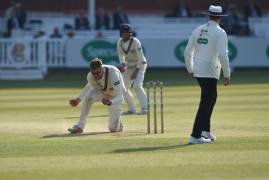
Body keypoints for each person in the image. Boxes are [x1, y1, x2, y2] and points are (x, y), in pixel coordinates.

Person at [184, 5, 231, 144]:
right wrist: (227, 73)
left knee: (211, 98)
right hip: (210, 70)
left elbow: (187, 52)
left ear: (208, 16)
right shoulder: (220, 32)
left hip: (198, 70)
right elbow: (223, 54)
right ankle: (195, 135)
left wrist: (190, 69)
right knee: (207, 101)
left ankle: (205, 131)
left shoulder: (197, 29)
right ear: (220, 18)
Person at [68, 58, 126, 134]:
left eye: (98, 73)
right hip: (103, 94)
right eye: (94, 73)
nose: (96, 75)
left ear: (102, 69)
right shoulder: (90, 76)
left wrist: (110, 102)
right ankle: (80, 126)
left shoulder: (113, 73)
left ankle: (118, 124)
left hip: (116, 98)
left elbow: (120, 96)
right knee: (88, 97)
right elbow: (88, 86)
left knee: (113, 129)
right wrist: (78, 99)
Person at [117, 24, 147, 115]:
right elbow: (120, 55)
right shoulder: (119, 42)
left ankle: (145, 108)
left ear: (130, 33)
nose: (126, 35)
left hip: (140, 65)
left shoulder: (135, 42)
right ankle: (132, 109)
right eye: (124, 33)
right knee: (123, 88)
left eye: (128, 33)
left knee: (137, 86)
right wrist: (123, 64)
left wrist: (136, 71)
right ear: (121, 33)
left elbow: (141, 58)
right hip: (128, 67)